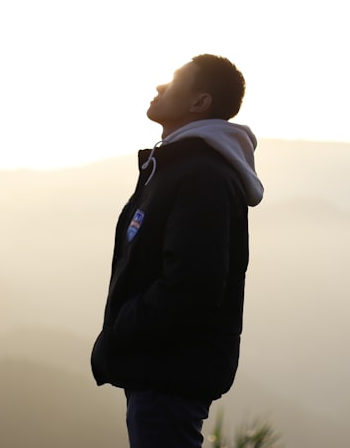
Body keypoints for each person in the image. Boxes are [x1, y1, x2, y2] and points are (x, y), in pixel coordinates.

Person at [91, 54, 264, 448]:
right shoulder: (179, 167)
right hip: (160, 371)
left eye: (173, 81)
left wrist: (121, 330)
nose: (159, 87)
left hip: (167, 374)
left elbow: (193, 285)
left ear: (199, 103)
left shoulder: (201, 174)